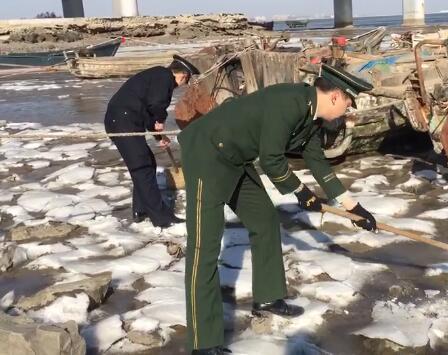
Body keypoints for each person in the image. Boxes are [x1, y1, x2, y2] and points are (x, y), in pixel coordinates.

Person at [178, 63, 378, 355]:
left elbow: (319, 164)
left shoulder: (312, 118)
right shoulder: (289, 102)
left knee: (264, 219)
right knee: (203, 250)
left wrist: (354, 208)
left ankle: (268, 297)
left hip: (236, 159)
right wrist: (300, 192)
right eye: (348, 103)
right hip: (208, 154)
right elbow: (272, 160)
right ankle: (204, 343)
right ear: (335, 96)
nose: (347, 111)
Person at [104, 55, 200, 228]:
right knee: (143, 168)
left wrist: (158, 136)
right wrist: (161, 119)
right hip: (122, 121)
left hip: (122, 120)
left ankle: (141, 209)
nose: (181, 85)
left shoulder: (156, 77)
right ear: (183, 75)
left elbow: (149, 112)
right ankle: (162, 218)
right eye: (185, 81)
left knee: (147, 164)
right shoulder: (163, 77)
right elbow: (157, 106)